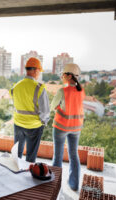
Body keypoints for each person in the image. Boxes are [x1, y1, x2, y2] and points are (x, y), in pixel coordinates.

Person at [50, 63, 85, 191]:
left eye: (63, 74)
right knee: (73, 155)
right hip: (76, 128)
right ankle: (74, 185)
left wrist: (58, 108)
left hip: (61, 127)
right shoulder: (81, 91)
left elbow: (52, 106)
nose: (62, 76)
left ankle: (54, 186)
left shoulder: (62, 91)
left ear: (69, 76)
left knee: (58, 156)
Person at [10, 57, 50, 162]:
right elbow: (45, 112)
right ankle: (27, 175)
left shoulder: (16, 87)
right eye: (39, 71)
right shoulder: (39, 87)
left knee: (16, 155)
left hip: (18, 124)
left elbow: (15, 104)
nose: (39, 74)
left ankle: (14, 173)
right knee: (30, 157)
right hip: (34, 126)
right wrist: (43, 122)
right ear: (36, 70)